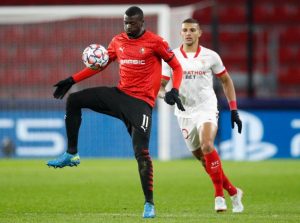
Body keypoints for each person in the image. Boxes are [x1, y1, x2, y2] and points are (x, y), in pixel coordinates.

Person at [47, 6, 185, 219]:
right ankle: (71, 153)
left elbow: (177, 67)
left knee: (142, 154)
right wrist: (72, 79)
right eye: (126, 23)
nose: (128, 26)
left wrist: (174, 89)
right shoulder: (118, 41)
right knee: (74, 100)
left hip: (141, 104)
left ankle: (149, 203)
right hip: (119, 95)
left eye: (132, 23)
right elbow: (100, 65)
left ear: (142, 23)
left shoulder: (155, 42)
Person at [160, 18, 244, 213]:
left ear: (199, 33)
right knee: (204, 159)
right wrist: (167, 96)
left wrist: (233, 109)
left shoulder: (211, 56)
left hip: (206, 107)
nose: (188, 33)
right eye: (184, 30)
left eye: (192, 30)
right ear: (180, 33)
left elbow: (226, 81)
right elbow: (160, 87)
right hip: (184, 112)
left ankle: (219, 197)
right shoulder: (170, 57)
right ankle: (233, 191)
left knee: (208, 145)